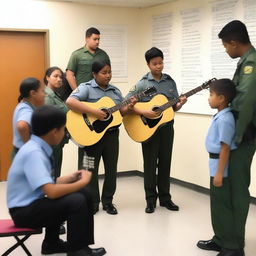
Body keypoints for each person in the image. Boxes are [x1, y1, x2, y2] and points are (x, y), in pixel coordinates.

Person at [7, 105, 106, 256]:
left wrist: (72, 178)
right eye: (63, 130)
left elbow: (48, 183)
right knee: (77, 200)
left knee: (84, 193)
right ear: (54, 132)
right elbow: (51, 192)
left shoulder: (38, 146)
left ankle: (51, 244)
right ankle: (77, 251)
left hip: (30, 205)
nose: (65, 134)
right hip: (23, 213)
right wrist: (81, 182)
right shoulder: (34, 153)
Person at [197, 20, 256, 256]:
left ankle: (233, 246)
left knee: (235, 191)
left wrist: (235, 137)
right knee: (222, 193)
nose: (225, 49)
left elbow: (244, 102)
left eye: (225, 46)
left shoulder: (251, 63)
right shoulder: (245, 62)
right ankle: (222, 237)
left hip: (241, 138)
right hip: (236, 137)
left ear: (233, 42)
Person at [66, 59, 135, 215]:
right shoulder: (86, 88)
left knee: (111, 170)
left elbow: (120, 113)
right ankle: (92, 202)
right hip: (89, 137)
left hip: (111, 136)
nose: (108, 76)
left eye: (109, 72)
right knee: (89, 170)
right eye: (104, 73)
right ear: (94, 74)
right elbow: (70, 102)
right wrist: (94, 112)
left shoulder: (115, 91)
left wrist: (128, 107)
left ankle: (108, 202)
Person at [125, 47, 187, 213]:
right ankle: (150, 200)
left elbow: (173, 108)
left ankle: (166, 199)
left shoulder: (170, 81)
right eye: (155, 63)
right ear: (148, 64)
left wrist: (181, 104)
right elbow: (126, 105)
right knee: (150, 165)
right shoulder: (141, 84)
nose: (159, 66)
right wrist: (144, 111)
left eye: (161, 62)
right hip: (148, 129)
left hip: (167, 128)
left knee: (166, 163)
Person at [197, 79, 237, 255]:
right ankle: (219, 239)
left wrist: (220, 174)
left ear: (221, 99)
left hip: (221, 169)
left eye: (211, 95)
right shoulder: (221, 115)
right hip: (215, 166)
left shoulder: (226, 119)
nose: (209, 98)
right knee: (217, 207)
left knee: (223, 209)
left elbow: (225, 148)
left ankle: (228, 245)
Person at [66, 27, 110, 170]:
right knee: (87, 154)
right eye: (95, 39)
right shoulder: (77, 55)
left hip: (101, 105)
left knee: (104, 150)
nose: (97, 41)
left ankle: (105, 191)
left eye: (99, 39)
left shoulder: (103, 55)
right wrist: (77, 94)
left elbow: (107, 73)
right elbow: (69, 74)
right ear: (87, 38)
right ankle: (85, 185)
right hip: (83, 105)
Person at [44, 66, 69, 178]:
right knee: (52, 174)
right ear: (47, 78)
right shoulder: (47, 96)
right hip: (51, 141)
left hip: (57, 141)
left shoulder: (56, 95)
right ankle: (51, 195)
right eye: (55, 76)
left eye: (61, 77)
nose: (59, 79)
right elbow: (49, 119)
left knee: (55, 172)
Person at [12, 77, 45, 158]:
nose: (44, 95)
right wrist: (29, 146)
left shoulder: (22, 105)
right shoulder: (25, 109)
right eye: (42, 91)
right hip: (24, 154)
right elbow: (22, 126)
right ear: (33, 93)